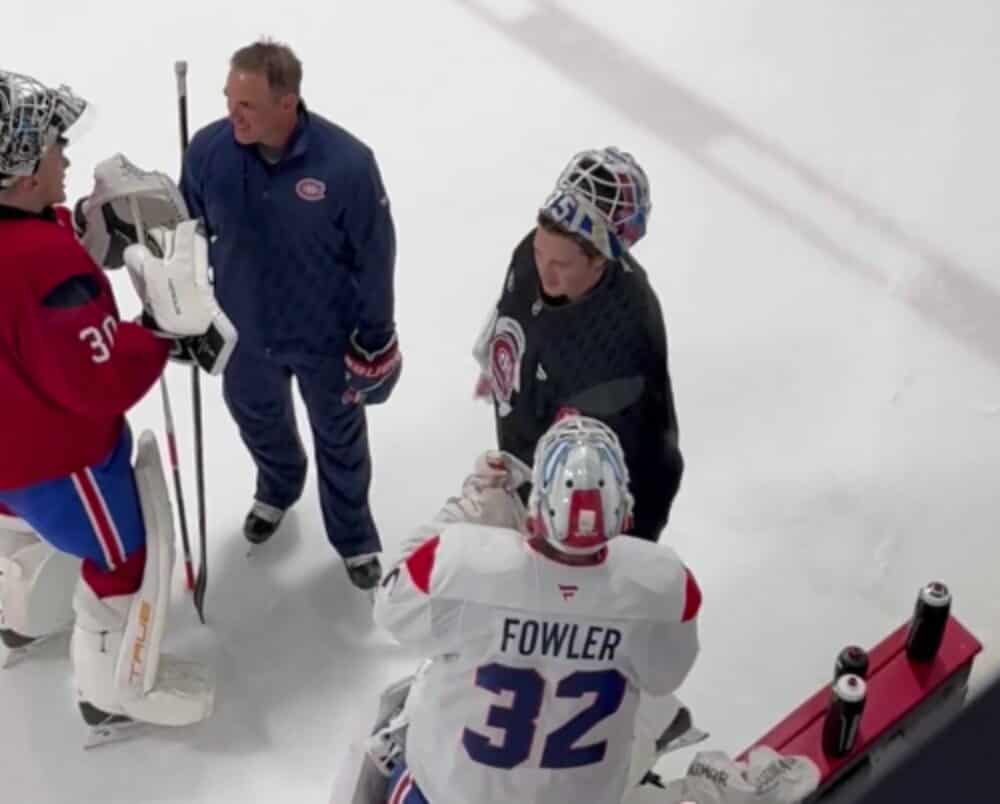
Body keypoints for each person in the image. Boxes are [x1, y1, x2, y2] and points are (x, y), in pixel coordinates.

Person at [0, 70, 230, 741]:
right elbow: (94, 381)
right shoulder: (42, 263)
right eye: (52, 145)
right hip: (59, 457)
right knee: (130, 553)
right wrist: (159, 327)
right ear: (19, 168)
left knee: (18, 529)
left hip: (10, 460)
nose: (65, 157)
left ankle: (17, 616)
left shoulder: (30, 241)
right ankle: (114, 692)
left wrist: (74, 226)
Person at [369, 415, 701, 804]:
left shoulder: (460, 563)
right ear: (623, 511)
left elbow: (389, 606)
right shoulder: (662, 584)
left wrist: (471, 509)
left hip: (449, 794)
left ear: (534, 506)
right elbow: (664, 679)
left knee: (388, 728)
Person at [180, 39, 400, 590]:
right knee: (255, 416)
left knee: (341, 437)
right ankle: (278, 486)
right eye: (229, 98)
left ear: (288, 103)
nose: (233, 114)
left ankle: (353, 536)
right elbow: (184, 236)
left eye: (246, 104)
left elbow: (375, 257)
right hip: (243, 331)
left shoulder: (347, 164)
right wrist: (178, 307)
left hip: (324, 337)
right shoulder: (208, 151)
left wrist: (375, 337)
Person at [473, 147, 682, 543]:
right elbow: (512, 322)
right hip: (527, 480)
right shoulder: (528, 256)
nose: (542, 272)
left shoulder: (626, 334)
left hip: (583, 523)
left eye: (561, 265)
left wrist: (615, 546)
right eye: (539, 252)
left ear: (600, 260)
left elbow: (652, 467)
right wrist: (499, 370)